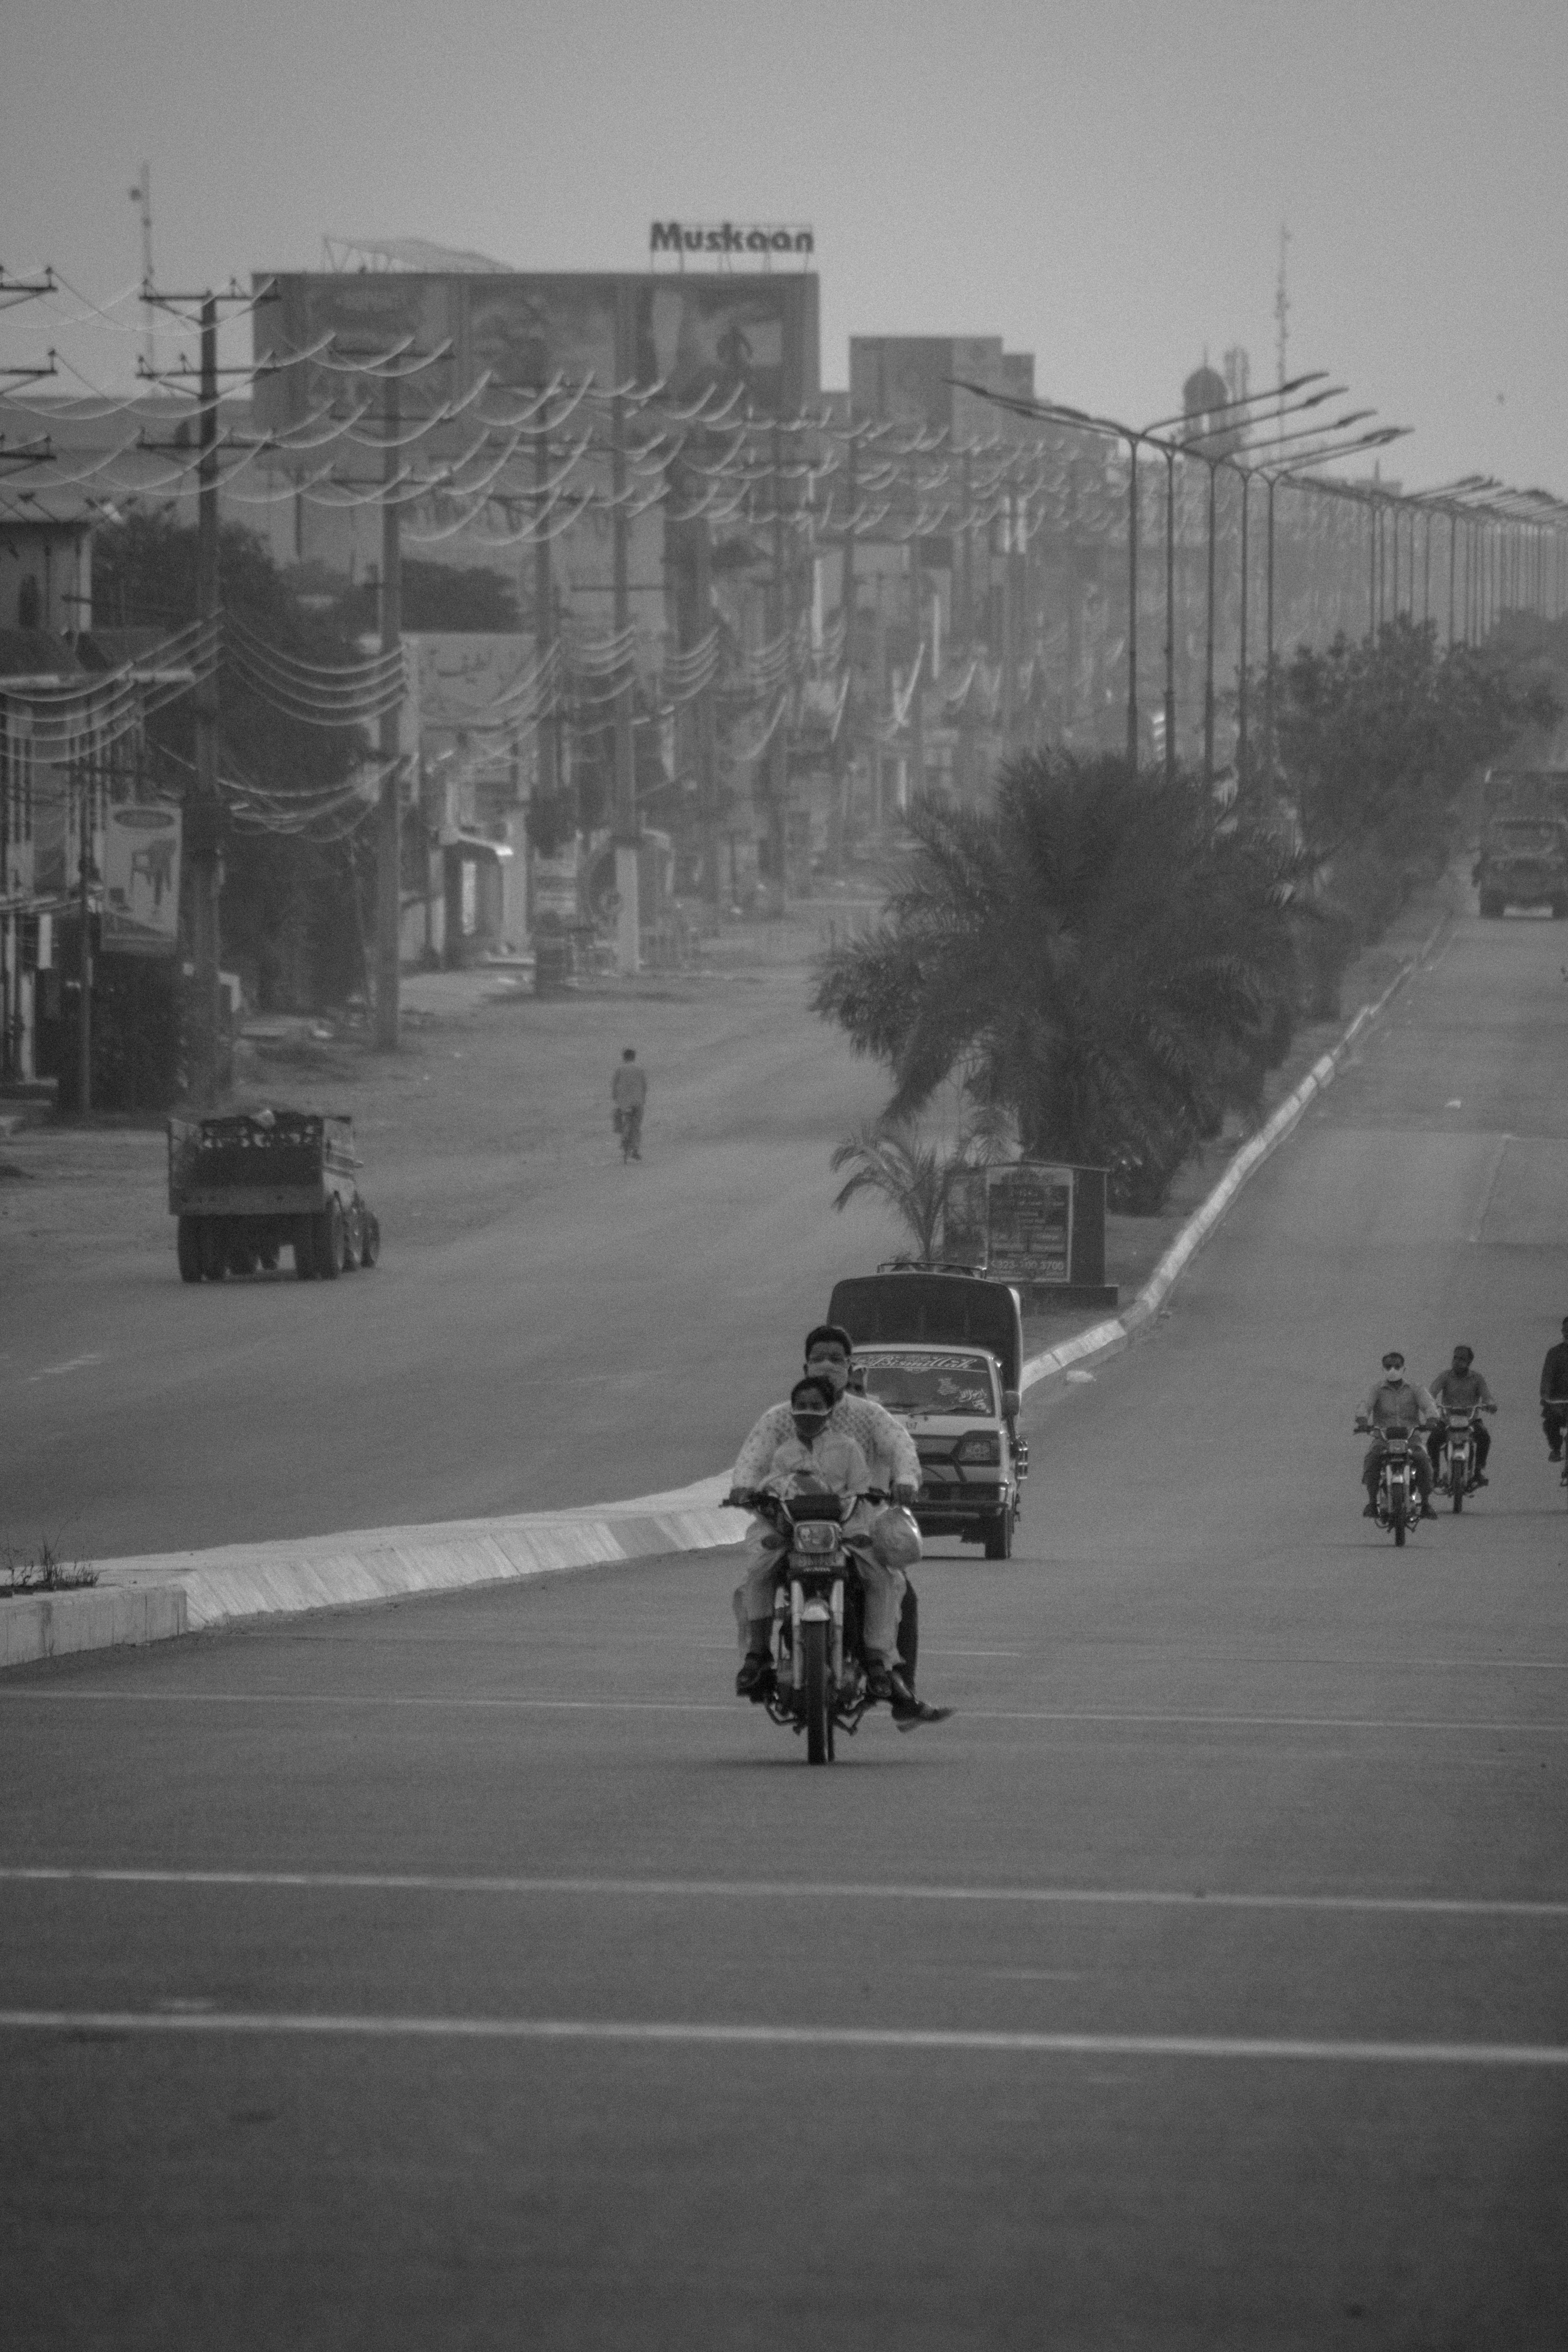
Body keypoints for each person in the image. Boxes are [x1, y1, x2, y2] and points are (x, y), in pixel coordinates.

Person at [727, 1326, 947, 1725]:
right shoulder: (779, 1420)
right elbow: (753, 1462)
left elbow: (901, 1447)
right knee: (756, 1570)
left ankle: (898, 1687)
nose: (827, 1365)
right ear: (804, 1366)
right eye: (819, 1357)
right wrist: (745, 1488)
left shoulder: (868, 1418)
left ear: (852, 1367)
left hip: (852, 1524)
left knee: (896, 1587)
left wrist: (905, 1481)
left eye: (837, 1358)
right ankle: (757, 1655)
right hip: (789, 1525)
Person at [728, 1375, 907, 1704]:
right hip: (792, 1534)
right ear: (792, 1411)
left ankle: (877, 1659)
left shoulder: (849, 1448)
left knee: (884, 1578)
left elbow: (861, 1491)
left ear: (829, 1411)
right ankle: (757, 1654)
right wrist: (754, 1494)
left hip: (845, 1532)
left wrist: (876, 1500)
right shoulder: (784, 1453)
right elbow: (772, 1485)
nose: (807, 1412)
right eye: (801, 1406)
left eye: (815, 1406)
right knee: (756, 1573)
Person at [1359, 1350, 1438, 1519]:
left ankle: (1425, 1503)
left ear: (1404, 1369)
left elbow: (1429, 1406)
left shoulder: (1416, 1389)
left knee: (1424, 1461)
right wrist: (1362, 1420)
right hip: (1383, 1438)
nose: (1392, 1370)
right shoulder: (1376, 1390)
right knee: (1372, 1460)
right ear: (1383, 1369)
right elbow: (1365, 1406)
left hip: (1411, 1438)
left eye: (1397, 1366)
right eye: (1388, 1366)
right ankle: (1372, 1503)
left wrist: (1432, 1419)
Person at [1426, 1346, 1497, 1487]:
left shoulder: (1477, 1379)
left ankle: (1478, 1472)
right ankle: (1435, 1472)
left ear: (1469, 1362)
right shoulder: (1445, 1376)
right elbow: (1431, 1394)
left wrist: (1490, 1404)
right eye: (1455, 1358)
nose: (1457, 1362)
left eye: (1462, 1359)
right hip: (1447, 1420)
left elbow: (1487, 1397)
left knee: (1484, 1438)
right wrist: (1429, 1404)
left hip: (1471, 1421)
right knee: (1433, 1441)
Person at [1539, 1318, 1568, 1461]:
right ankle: (1557, 1450)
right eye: (1566, 1330)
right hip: (1558, 1402)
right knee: (1551, 1424)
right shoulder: (1555, 1353)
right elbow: (1547, 1377)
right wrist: (1546, 1396)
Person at [611, 1048, 647, 1160]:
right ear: (634, 1057)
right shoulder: (640, 1069)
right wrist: (643, 1098)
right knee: (636, 1125)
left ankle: (622, 1134)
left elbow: (615, 1086)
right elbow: (644, 1086)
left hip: (624, 1102)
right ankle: (635, 1149)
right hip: (637, 1101)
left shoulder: (619, 1069)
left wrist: (616, 1098)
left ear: (624, 1057)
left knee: (619, 1116)